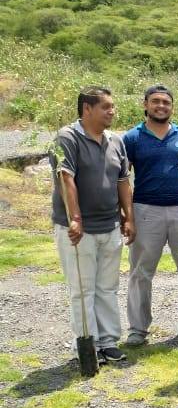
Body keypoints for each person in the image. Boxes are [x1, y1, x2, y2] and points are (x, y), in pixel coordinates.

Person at [51, 87, 135, 364]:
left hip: (109, 226)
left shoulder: (116, 141)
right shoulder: (67, 138)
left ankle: (109, 342)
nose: (112, 111)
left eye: (113, 107)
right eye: (106, 107)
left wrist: (128, 216)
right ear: (87, 109)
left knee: (107, 287)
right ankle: (88, 345)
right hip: (78, 230)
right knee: (82, 288)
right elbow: (67, 179)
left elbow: (123, 181)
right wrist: (75, 218)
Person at [123, 85, 178, 347]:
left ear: (172, 107)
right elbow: (122, 178)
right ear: (145, 105)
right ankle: (137, 329)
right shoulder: (132, 138)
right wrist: (127, 216)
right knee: (141, 272)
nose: (161, 106)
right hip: (146, 210)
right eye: (155, 101)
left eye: (166, 102)